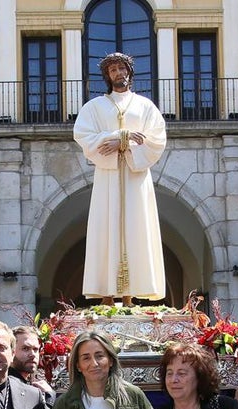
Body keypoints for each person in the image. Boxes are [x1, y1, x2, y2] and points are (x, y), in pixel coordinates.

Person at [74, 52, 167, 304]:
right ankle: (106, 295)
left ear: (129, 72)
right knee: (105, 228)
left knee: (138, 229)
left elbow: (156, 138)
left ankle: (129, 296)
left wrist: (121, 142)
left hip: (136, 178)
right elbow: (82, 135)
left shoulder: (145, 106)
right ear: (107, 76)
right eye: (113, 69)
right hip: (107, 177)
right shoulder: (94, 107)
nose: (118, 73)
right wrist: (118, 137)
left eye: (122, 68)